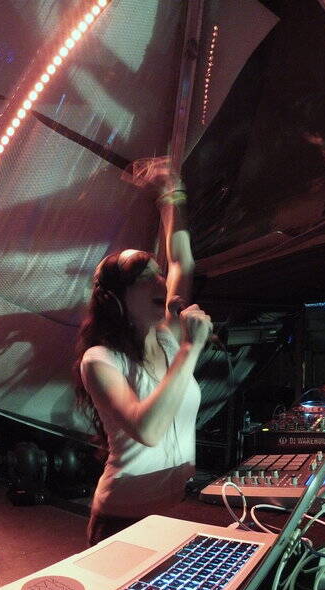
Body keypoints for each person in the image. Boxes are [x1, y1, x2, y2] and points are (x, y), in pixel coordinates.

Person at [73, 157, 213, 546]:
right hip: (123, 519)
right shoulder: (100, 360)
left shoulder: (168, 338)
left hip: (178, 513)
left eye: (159, 274)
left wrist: (171, 195)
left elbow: (182, 262)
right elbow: (148, 430)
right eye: (145, 278)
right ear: (116, 300)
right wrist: (190, 349)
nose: (161, 282)